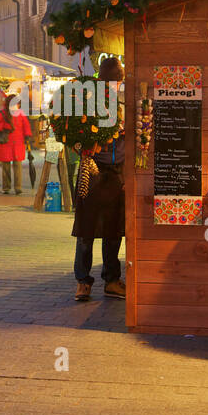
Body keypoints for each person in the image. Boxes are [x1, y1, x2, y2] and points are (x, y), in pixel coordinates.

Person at [72, 57, 126, 301]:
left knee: (114, 230)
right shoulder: (87, 102)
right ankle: (83, 282)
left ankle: (111, 280)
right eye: (110, 82)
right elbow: (73, 134)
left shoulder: (125, 101)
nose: (113, 86)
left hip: (117, 172)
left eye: (117, 82)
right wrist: (84, 145)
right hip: (92, 170)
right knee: (86, 230)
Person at [0, 91, 33, 196]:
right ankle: (6, 187)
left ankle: (18, 187)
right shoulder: (1, 114)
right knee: (6, 168)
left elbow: (26, 126)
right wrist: (3, 126)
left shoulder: (20, 113)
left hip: (18, 144)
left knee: (17, 167)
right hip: (6, 144)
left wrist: (27, 136)